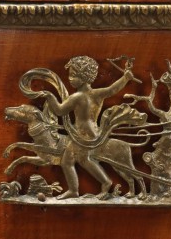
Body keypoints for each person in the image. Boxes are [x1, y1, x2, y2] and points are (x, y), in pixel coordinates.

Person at [41, 55, 134, 199]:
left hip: (82, 135)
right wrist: (126, 77)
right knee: (77, 160)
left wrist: (49, 96)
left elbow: (59, 110)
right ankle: (83, 188)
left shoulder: (77, 97)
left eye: (73, 75)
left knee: (73, 161)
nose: (70, 79)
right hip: (94, 132)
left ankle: (100, 183)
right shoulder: (97, 93)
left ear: (83, 77)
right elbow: (112, 89)